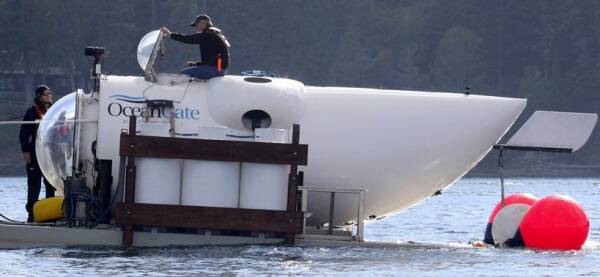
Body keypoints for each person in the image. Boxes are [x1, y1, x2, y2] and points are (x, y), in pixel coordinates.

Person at [19, 85, 56, 222]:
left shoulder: (53, 111)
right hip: (34, 155)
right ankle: (31, 215)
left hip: (49, 155)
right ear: (39, 96)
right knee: (34, 185)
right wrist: (25, 151)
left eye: (50, 93)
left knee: (50, 185)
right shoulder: (31, 112)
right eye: (46, 94)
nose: (49, 96)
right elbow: (23, 134)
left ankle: (51, 215)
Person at [161, 14, 231, 79]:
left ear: (203, 23)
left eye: (196, 25)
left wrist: (170, 34)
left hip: (216, 69)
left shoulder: (208, 34)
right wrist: (197, 64)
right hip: (218, 69)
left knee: (183, 75)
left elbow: (188, 39)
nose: (196, 27)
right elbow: (212, 59)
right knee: (188, 75)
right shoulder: (213, 34)